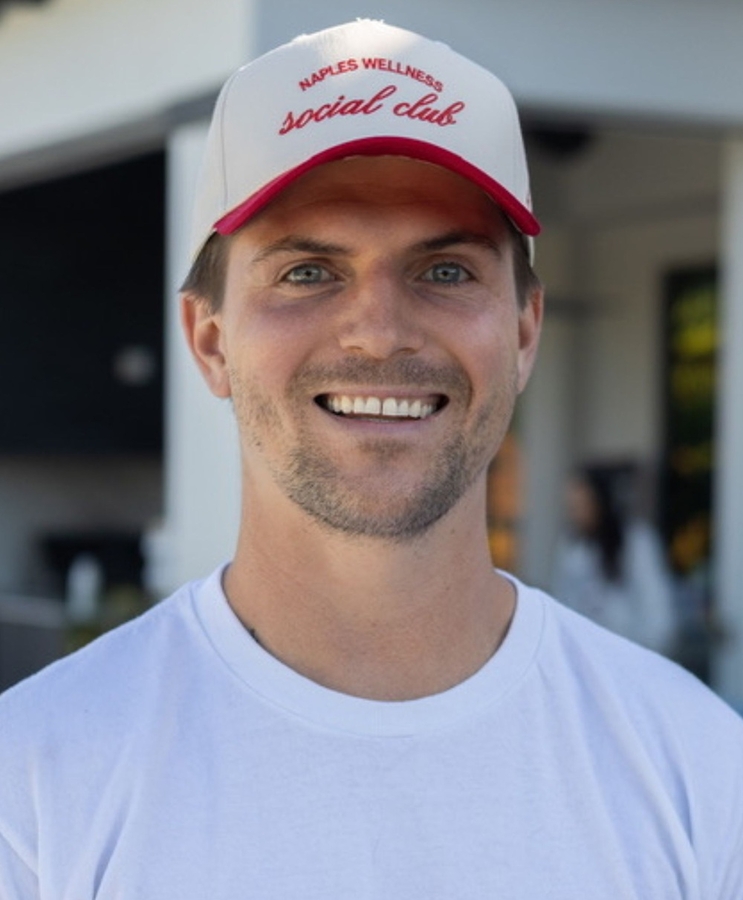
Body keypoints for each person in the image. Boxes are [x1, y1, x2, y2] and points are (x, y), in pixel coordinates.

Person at [1, 20, 741, 899]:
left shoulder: (697, 767)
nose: (380, 332)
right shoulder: (35, 778)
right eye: (308, 272)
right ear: (209, 340)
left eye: (446, 271)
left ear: (522, 332)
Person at [552, 463, 677, 654]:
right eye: (572, 507)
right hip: (585, 654)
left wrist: (642, 655)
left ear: (600, 502)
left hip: (630, 652)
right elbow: (563, 601)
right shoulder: (572, 546)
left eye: (582, 505)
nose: (576, 514)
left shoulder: (635, 541)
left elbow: (657, 610)